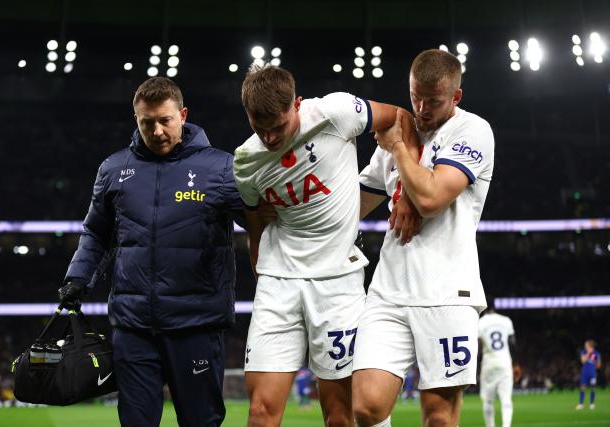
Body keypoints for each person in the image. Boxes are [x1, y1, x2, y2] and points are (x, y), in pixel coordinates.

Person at [233, 64, 418, 427]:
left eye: (279, 127)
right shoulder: (245, 161)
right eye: (260, 128)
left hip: (337, 283)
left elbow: (400, 118)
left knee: (339, 415)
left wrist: (406, 190)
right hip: (278, 285)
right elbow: (255, 221)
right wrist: (262, 268)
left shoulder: (336, 113)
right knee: (260, 413)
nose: (270, 138)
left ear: (297, 105)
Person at [58, 77, 243, 426]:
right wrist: (78, 278)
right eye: (147, 122)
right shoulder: (113, 169)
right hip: (134, 327)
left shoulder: (222, 168)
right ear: (136, 120)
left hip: (196, 325)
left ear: (183, 115)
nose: (157, 131)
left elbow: (262, 223)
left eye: (165, 120)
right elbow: (96, 232)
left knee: (201, 422)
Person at [352, 48, 495, 427]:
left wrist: (398, 146)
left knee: (439, 418)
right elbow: (355, 205)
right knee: (366, 407)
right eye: (416, 97)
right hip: (389, 290)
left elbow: (431, 197)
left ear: (455, 97)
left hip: (447, 293)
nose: (422, 108)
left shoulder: (473, 131)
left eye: (433, 101)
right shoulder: (401, 138)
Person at [478, 304, 517, 427]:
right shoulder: (506, 320)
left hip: (489, 363)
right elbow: (512, 343)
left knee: (488, 401)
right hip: (505, 362)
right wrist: (516, 364)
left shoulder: (480, 322)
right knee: (506, 400)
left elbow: (477, 347)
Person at [577, 339, 601, 410]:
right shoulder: (583, 352)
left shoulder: (596, 353)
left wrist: (595, 363)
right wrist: (588, 354)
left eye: (586, 345)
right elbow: (583, 361)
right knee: (582, 388)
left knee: (593, 388)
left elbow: (598, 365)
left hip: (592, 373)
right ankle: (581, 404)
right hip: (584, 372)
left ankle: (592, 404)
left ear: (590, 345)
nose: (585, 346)